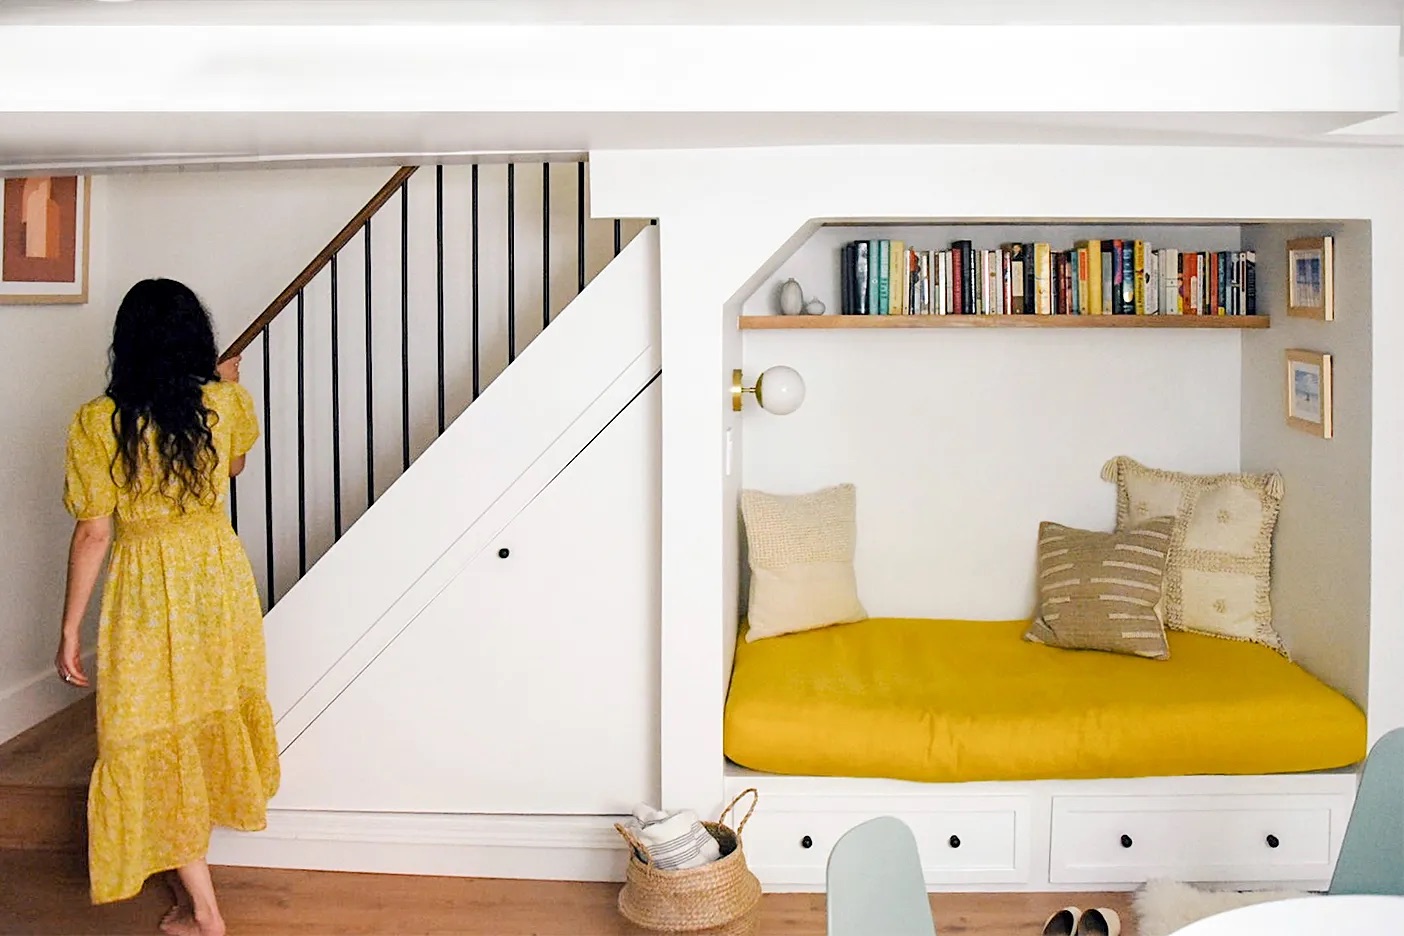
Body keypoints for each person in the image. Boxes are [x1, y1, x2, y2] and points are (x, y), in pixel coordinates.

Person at [54, 278, 279, 936]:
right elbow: (231, 468)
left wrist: (70, 629)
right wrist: (223, 382)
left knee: (152, 731)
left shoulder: (99, 422)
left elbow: (94, 530)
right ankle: (194, 898)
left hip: (148, 587)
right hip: (216, 578)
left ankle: (203, 909)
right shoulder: (224, 402)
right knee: (196, 724)